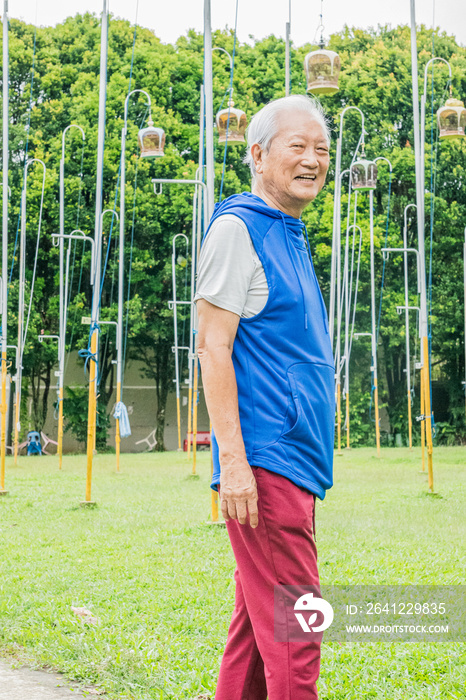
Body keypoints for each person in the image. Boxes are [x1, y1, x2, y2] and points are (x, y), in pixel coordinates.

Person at [195, 94, 335, 700]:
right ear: (257, 154)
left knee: (258, 629)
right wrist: (234, 465)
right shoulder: (238, 228)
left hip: (293, 463)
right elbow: (212, 347)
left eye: (322, 150)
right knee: (298, 621)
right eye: (297, 146)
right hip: (265, 462)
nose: (313, 160)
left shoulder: (288, 232)